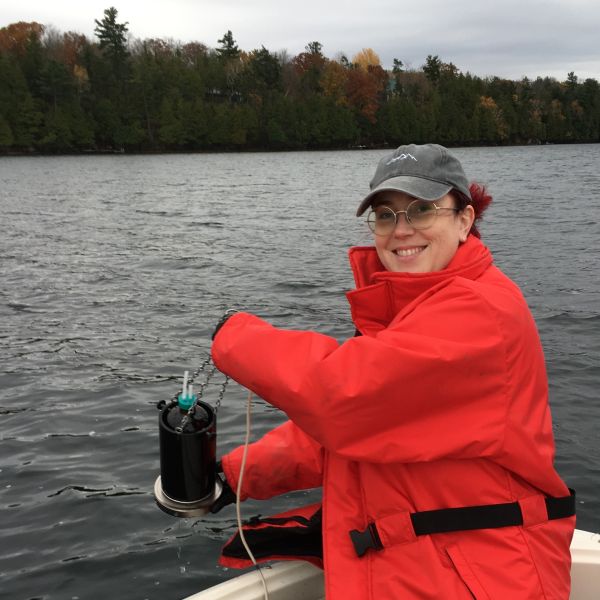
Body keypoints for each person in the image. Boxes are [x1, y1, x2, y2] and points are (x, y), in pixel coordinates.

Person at [210, 143, 575, 599]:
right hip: (420, 570)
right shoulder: (418, 310)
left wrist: (234, 336)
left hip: (480, 579)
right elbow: (351, 433)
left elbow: (343, 395)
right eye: (385, 215)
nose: (400, 230)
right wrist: (233, 477)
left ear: (465, 220)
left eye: (422, 210)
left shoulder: (480, 310)